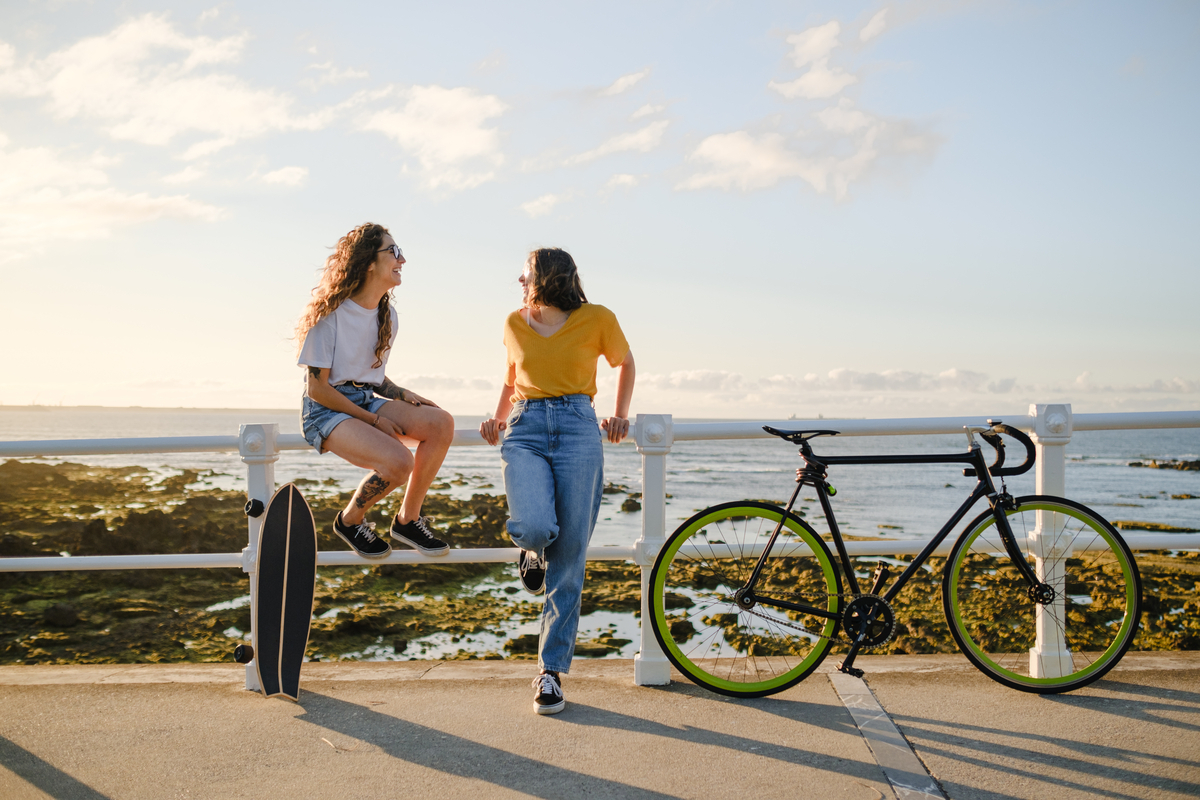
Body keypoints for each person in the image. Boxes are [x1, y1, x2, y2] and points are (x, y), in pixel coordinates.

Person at [479, 247, 635, 715]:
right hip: (524, 428)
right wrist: (496, 418)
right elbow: (512, 380)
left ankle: (550, 673)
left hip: (579, 429)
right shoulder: (512, 322)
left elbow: (626, 363)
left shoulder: (597, 318)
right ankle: (529, 549)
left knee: (568, 560)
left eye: (524, 275)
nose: (519, 282)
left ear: (545, 276)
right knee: (531, 525)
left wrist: (620, 416)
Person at [296, 222, 455, 558]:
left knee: (441, 423)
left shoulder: (388, 316)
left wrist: (399, 393)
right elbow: (317, 388)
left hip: (365, 400)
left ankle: (408, 521)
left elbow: (369, 376)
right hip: (325, 410)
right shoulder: (330, 315)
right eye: (393, 251)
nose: (403, 259)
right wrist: (373, 421)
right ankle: (351, 521)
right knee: (399, 463)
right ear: (369, 261)